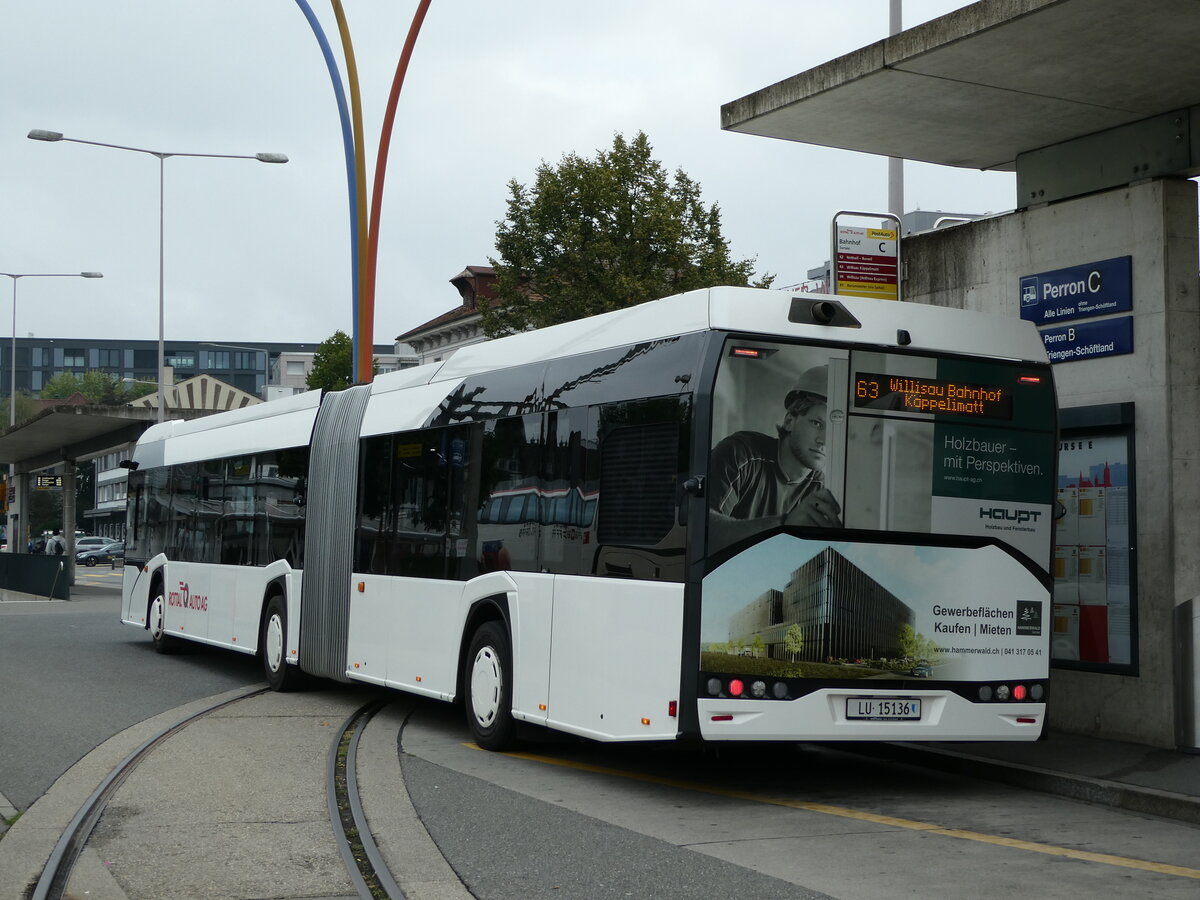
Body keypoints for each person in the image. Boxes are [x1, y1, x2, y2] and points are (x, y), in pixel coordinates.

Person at [709, 364, 842, 549]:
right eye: (817, 423)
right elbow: (703, 532)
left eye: (836, 431)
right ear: (789, 421)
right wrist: (784, 524)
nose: (824, 440)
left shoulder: (821, 490)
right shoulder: (742, 455)